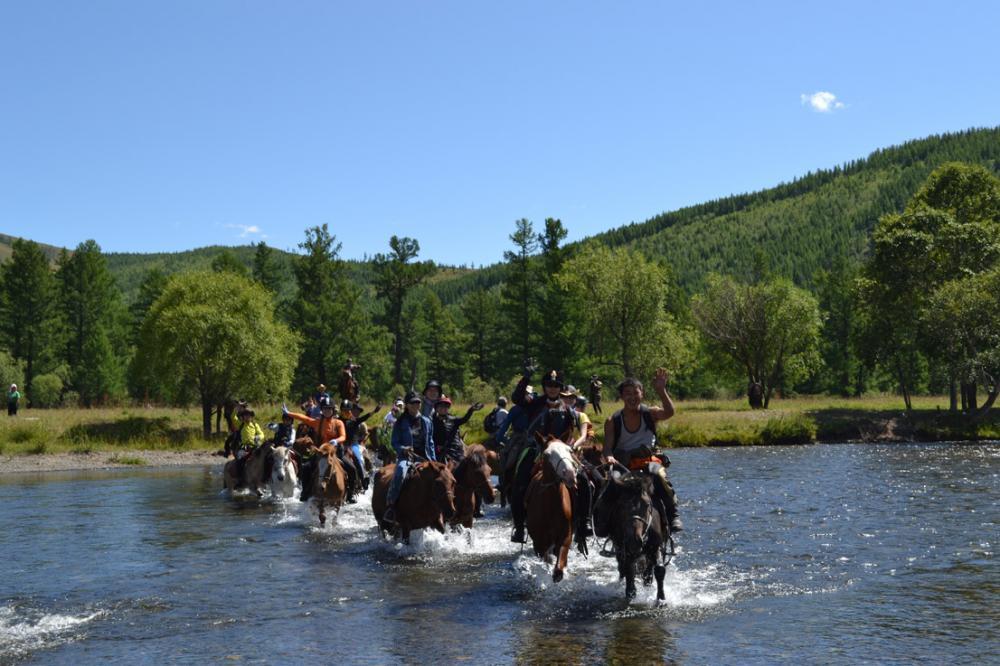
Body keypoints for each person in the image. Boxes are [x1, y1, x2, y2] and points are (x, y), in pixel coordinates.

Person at [509, 366, 593, 548]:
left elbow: (578, 429)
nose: (552, 388)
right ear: (544, 386)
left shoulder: (568, 409)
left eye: (556, 385)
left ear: (560, 388)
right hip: (536, 450)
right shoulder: (534, 403)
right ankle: (519, 527)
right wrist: (526, 377)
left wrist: (575, 445)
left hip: (563, 452)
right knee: (519, 483)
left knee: (586, 481)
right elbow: (516, 398)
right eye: (549, 385)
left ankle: (583, 522)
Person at [598, 368, 683, 533]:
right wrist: (609, 457)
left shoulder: (650, 413)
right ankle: (602, 523)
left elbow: (669, 412)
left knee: (659, 475)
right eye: (627, 394)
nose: (632, 397)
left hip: (648, 462)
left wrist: (661, 390)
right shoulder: (613, 420)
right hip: (623, 465)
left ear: (642, 394)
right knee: (609, 485)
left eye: (635, 393)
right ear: (621, 397)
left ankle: (673, 515)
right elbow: (607, 448)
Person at [383, 392, 436, 525]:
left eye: (418, 402)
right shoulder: (400, 422)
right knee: (400, 472)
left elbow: (430, 443)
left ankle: (444, 506)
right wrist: (403, 449)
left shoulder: (427, 421)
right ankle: (391, 506)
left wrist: (434, 461)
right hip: (407, 457)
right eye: (413, 403)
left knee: (442, 475)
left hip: (425, 457)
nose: (416, 405)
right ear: (407, 405)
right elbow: (394, 442)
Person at [285, 397, 347, 502]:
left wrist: (336, 440)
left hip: (335, 452)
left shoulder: (338, 423)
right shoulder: (318, 422)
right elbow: (304, 418)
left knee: (352, 468)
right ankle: (305, 492)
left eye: (329, 409)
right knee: (306, 468)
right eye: (325, 409)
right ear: (322, 410)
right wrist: (289, 413)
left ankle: (350, 494)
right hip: (320, 453)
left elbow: (343, 436)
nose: (327, 411)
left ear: (333, 410)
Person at [341, 399, 381, 495]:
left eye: (348, 410)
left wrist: (374, 411)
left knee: (359, 460)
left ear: (350, 411)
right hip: (341, 445)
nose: (346, 412)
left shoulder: (354, 421)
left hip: (353, 445)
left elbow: (365, 417)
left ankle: (363, 481)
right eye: (344, 410)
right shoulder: (338, 420)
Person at [432, 396, 484, 464]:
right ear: (436, 408)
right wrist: (436, 447)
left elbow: (464, 419)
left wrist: (471, 410)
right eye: (441, 406)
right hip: (442, 452)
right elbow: (431, 438)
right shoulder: (432, 422)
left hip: (457, 450)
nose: (443, 408)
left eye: (446, 406)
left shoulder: (453, 419)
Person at [231, 408, 266, 484]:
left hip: (255, 447)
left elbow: (262, 434)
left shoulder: (255, 425)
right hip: (244, 447)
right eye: (245, 415)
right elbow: (233, 417)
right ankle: (239, 478)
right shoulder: (240, 424)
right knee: (240, 460)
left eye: (249, 415)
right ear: (243, 417)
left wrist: (258, 437)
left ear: (251, 416)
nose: (247, 417)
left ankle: (265, 478)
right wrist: (237, 407)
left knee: (265, 459)